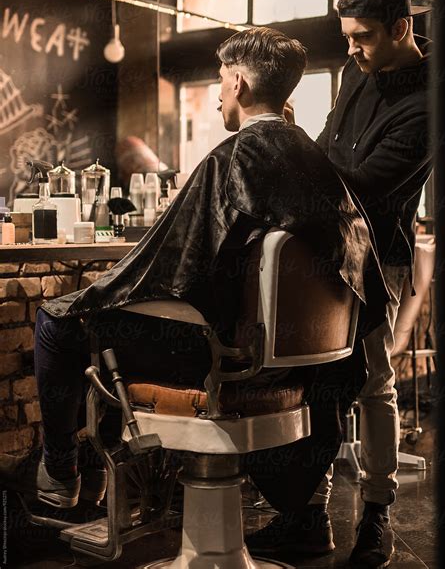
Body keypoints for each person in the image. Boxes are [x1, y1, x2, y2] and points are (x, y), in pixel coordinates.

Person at [0, 27, 385, 521]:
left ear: (240, 84)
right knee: (101, 326)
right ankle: (98, 471)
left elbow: (175, 266)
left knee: (58, 323)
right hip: (294, 362)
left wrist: (100, 294)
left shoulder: (237, 156)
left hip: (220, 354)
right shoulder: (315, 161)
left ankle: (61, 478)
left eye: (222, 80)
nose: (219, 92)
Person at [315, 0, 431, 568]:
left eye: (362, 38)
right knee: (317, 376)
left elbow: (362, 185)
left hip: (378, 256)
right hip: (327, 249)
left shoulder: (432, 103)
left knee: (372, 382)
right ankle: (310, 510)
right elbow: (330, 148)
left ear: (402, 29)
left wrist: (292, 158)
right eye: (347, 37)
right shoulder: (352, 74)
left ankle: (378, 511)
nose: (351, 50)